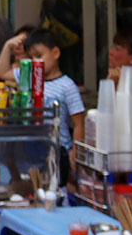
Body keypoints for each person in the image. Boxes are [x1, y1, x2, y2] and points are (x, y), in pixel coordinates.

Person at [20, 28, 85, 184]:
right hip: (34, 148)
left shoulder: (67, 86)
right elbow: (3, 72)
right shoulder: (29, 81)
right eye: (31, 58)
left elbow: (79, 124)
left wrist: (75, 157)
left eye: (39, 56)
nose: (36, 62)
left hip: (59, 150)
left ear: (55, 53)